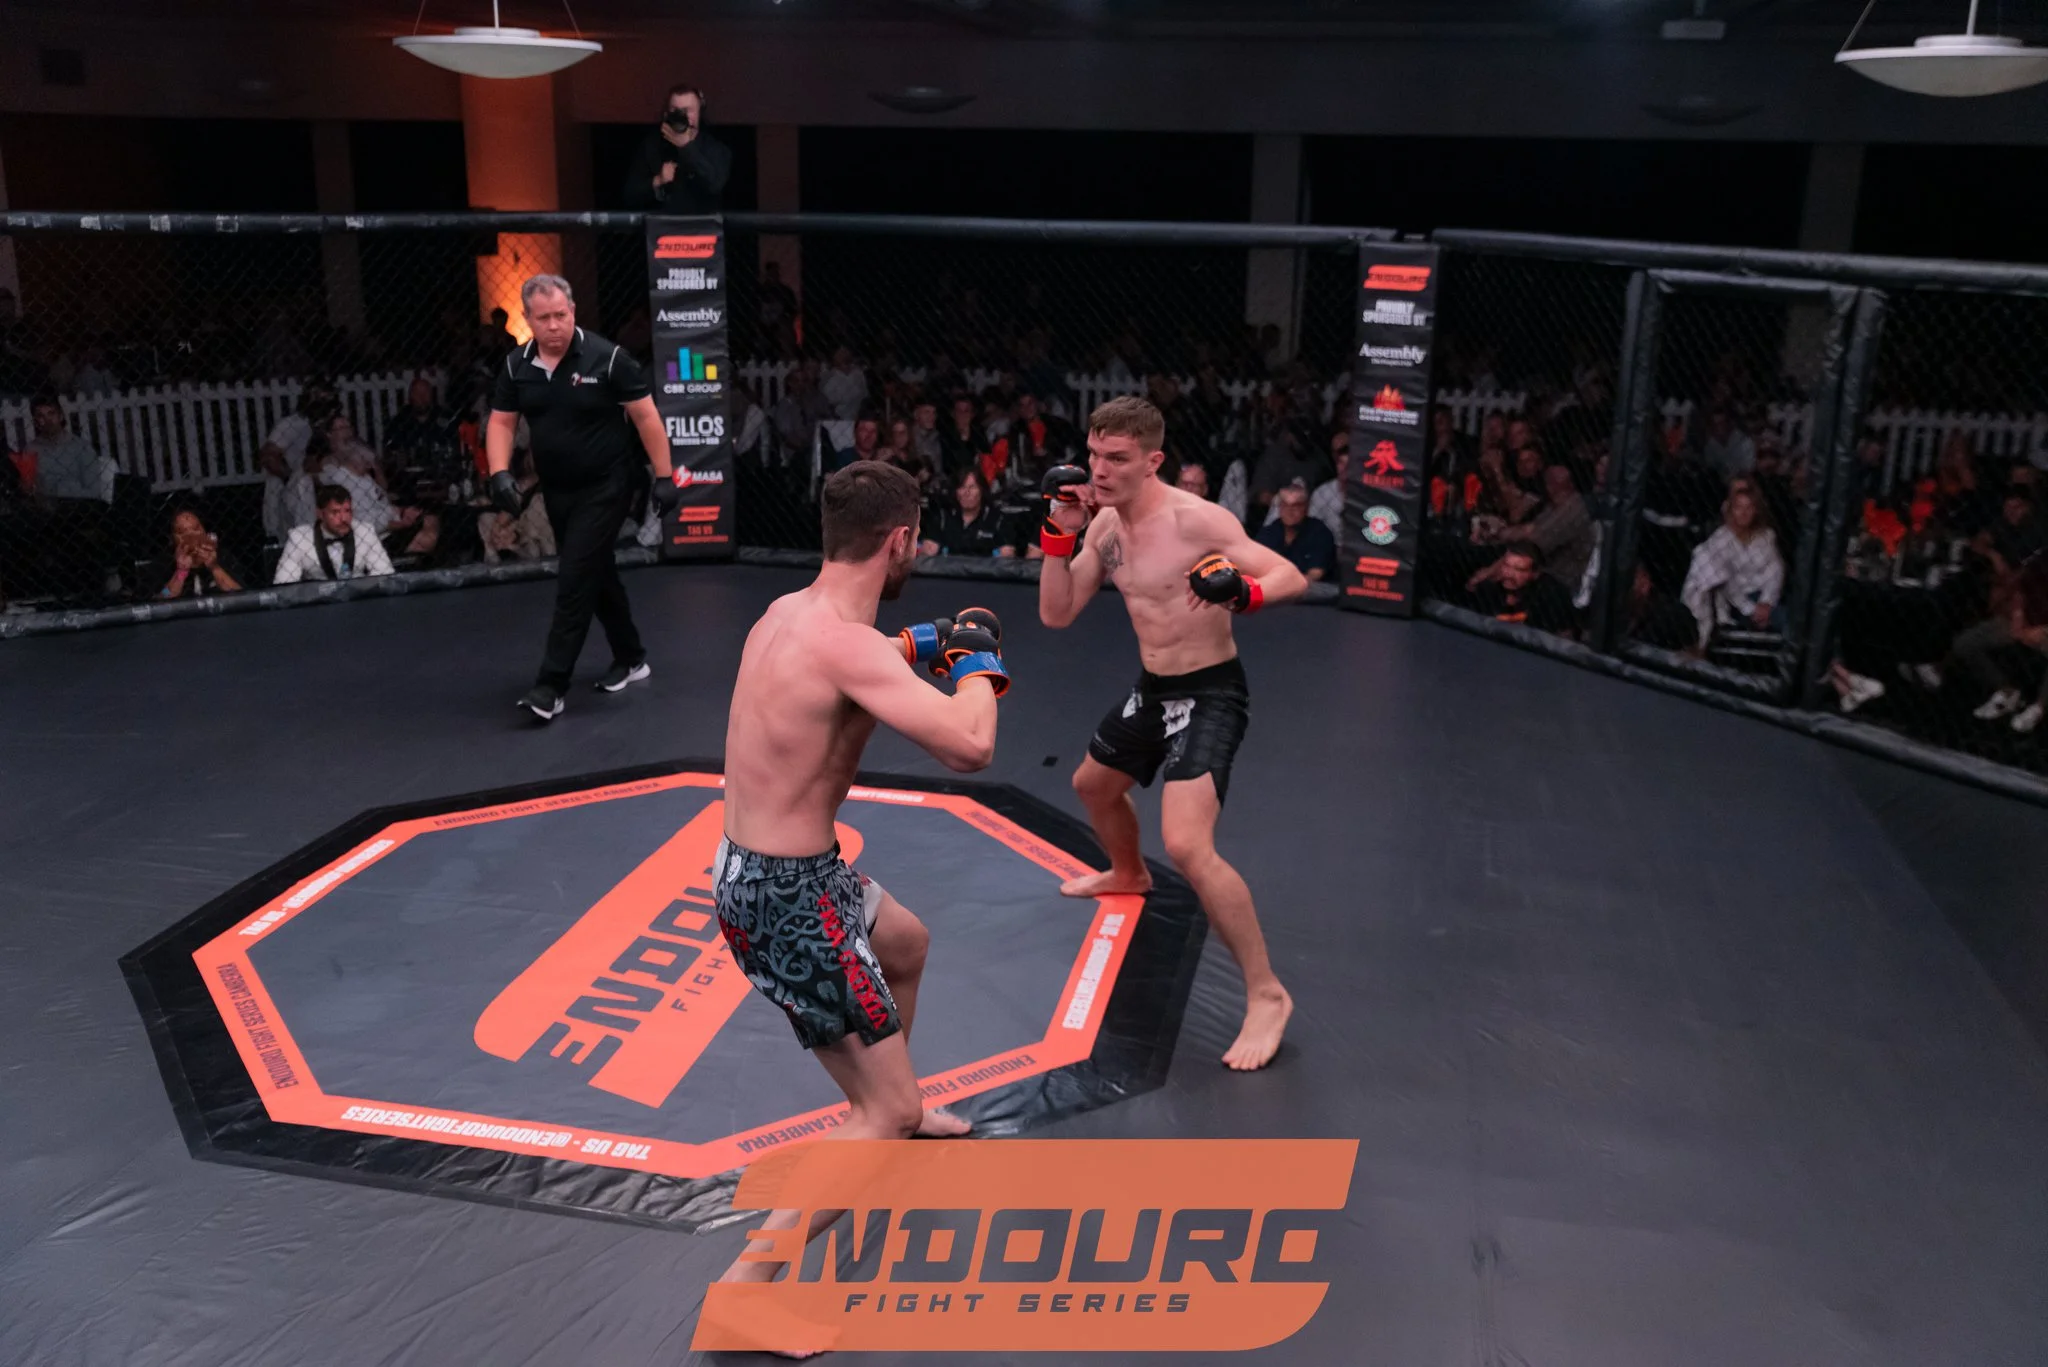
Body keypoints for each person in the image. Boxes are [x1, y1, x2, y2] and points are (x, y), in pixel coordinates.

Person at [711, 460, 1000, 1302]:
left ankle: (891, 1103)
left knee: (904, 941)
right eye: (918, 541)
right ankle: (744, 1288)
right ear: (899, 540)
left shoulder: (785, 614)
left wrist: (922, 645)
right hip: (786, 895)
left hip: (764, 867)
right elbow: (970, 744)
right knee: (887, 1112)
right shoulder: (847, 646)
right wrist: (978, 661)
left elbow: (853, 669)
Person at [1038, 395, 1307, 1071]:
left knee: (1187, 843)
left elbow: (1290, 575)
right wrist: (1058, 534)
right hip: (1155, 688)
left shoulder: (1196, 521)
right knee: (1093, 786)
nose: (1099, 470)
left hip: (1211, 692)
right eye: (1094, 455)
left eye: (1116, 458)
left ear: (1153, 460)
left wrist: (1242, 592)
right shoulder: (1104, 526)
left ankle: (1267, 993)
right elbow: (1057, 612)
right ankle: (1129, 873)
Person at [485, 274, 681, 722]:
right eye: (543, 318)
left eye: (561, 315)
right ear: (528, 319)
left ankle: (550, 686)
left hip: (608, 485)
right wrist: (499, 473)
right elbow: (501, 422)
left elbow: (646, 417)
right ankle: (631, 657)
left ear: (573, 311)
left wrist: (664, 477)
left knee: (574, 576)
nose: (554, 325)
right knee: (596, 571)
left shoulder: (608, 358)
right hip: (558, 489)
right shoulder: (517, 366)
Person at [1680, 476, 1784, 652]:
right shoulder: (1721, 540)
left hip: (1763, 598)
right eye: (1738, 508)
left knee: (1793, 620)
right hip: (1735, 603)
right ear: (1730, 510)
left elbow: (1775, 571)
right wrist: (1752, 610)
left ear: (1756, 510)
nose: (1744, 513)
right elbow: (1726, 584)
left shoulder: (1766, 536)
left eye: (1749, 508)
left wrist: (1766, 602)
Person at [623, 84, 732, 213]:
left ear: (699, 113)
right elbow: (630, 195)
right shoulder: (651, 146)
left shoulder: (715, 148)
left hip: (702, 224)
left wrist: (686, 147)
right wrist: (658, 180)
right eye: (675, 110)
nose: (682, 116)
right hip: (662, 223)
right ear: (666, 114)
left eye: (687, 111)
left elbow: (714, 185)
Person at [273, 485, 396, 584]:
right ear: (320, 514)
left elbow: (385, 572)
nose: (343, 519)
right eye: (335, 512)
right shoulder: (299, 537)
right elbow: (284, 582)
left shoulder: (366, 531)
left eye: (347, 511)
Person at [1469, 541, 1578, 637]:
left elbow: (1564, 636)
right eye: (1506, 565)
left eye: (1519, 569)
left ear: (1535, 573)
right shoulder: (1488, 589)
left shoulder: (1552, 596)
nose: (1508, 574)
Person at [147, 507, 245, 599]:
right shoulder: (163, 563)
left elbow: (240, 595)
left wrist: (214, 567)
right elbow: (162, 597)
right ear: (172, 538)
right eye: (182, 532)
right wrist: (181, 572)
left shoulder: (223, 556)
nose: (191, 535)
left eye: (196, 529)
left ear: (204, 530)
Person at [919, 469, 1015, 559]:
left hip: (986, 571)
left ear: (982, 491)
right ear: (956, 492)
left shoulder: (998, 520)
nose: (967, 492)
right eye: (962, 487)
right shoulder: (942, 518)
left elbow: (1006, 558)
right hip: (947, 570)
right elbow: (928, 555)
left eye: (972, 487)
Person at [1255, 481, 1337, 582]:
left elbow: (1315, 574)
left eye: (1296, 506)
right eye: (1285, 505)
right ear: (1279, 508)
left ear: (1306, 508)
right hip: (1274, 584)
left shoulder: (1320, 533)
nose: (1290, 511)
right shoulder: (1269, 532)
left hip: (1313, 587)